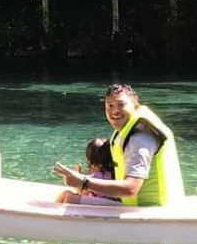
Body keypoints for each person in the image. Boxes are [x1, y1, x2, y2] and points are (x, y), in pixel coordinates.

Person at [54, 83, 184, 206]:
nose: (115, 111)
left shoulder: (140, 139)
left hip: (147, 209)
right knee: (68, 195)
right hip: (131, 204)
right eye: (110, 106)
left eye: (121, 104)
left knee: (68, 198)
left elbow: (131, 189)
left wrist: (84, 182)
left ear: (135, 106)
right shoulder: (127, 131)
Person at [55, 136, 117, 205]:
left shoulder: (96, 176)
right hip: (107, 200)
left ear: (93, 162)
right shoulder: (113, 173)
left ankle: (53, 210)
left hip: (99, 204)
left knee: (66, 194)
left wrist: (77, 174)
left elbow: (80, 192)